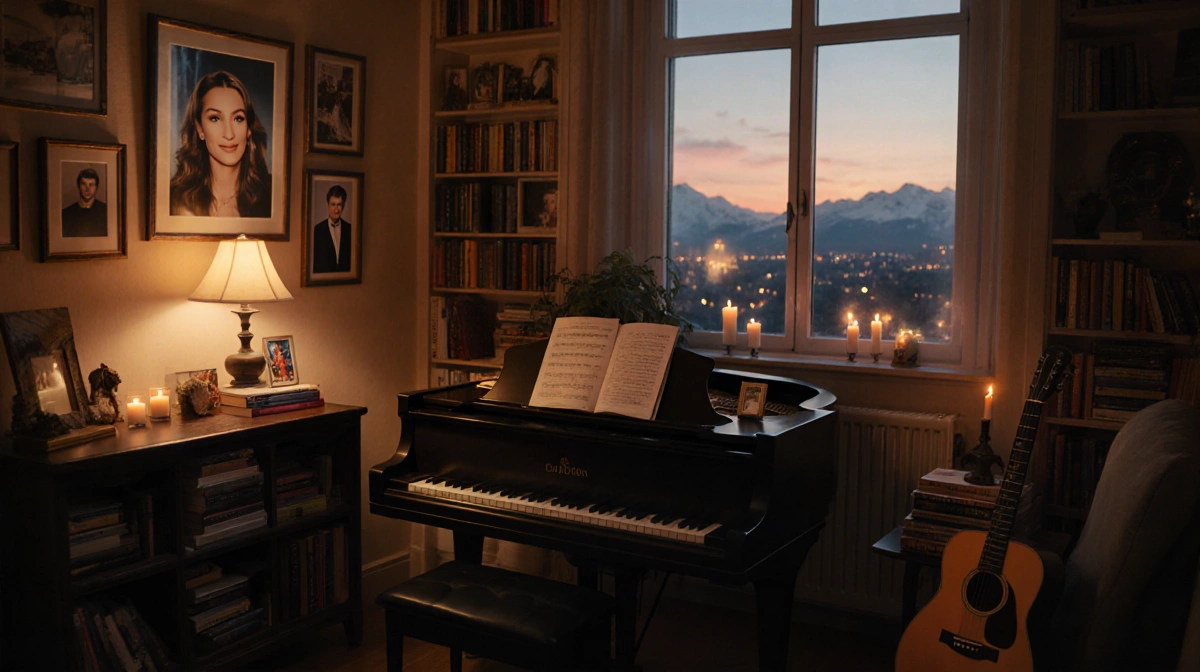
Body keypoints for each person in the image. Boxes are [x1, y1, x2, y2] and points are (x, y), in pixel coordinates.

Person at [169, 70, 272, 218]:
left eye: (238, 118)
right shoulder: (174, 199)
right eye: (215, 118)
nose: (229, 134)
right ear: (199, 128)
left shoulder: (270, 196)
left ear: (248, 129)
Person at [312, 185, 352, 273]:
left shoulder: (350, 230)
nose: (336, 210)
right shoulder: (317, 230)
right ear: (327, 205)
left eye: (339, 205)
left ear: (343, 206)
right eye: (333, 204)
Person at [61, 167, 107, 237]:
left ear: (96, 187)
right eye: (83, 184)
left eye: (91, 185)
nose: (87, 189)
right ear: (78, 186)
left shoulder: (106, 212)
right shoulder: (65, 214)